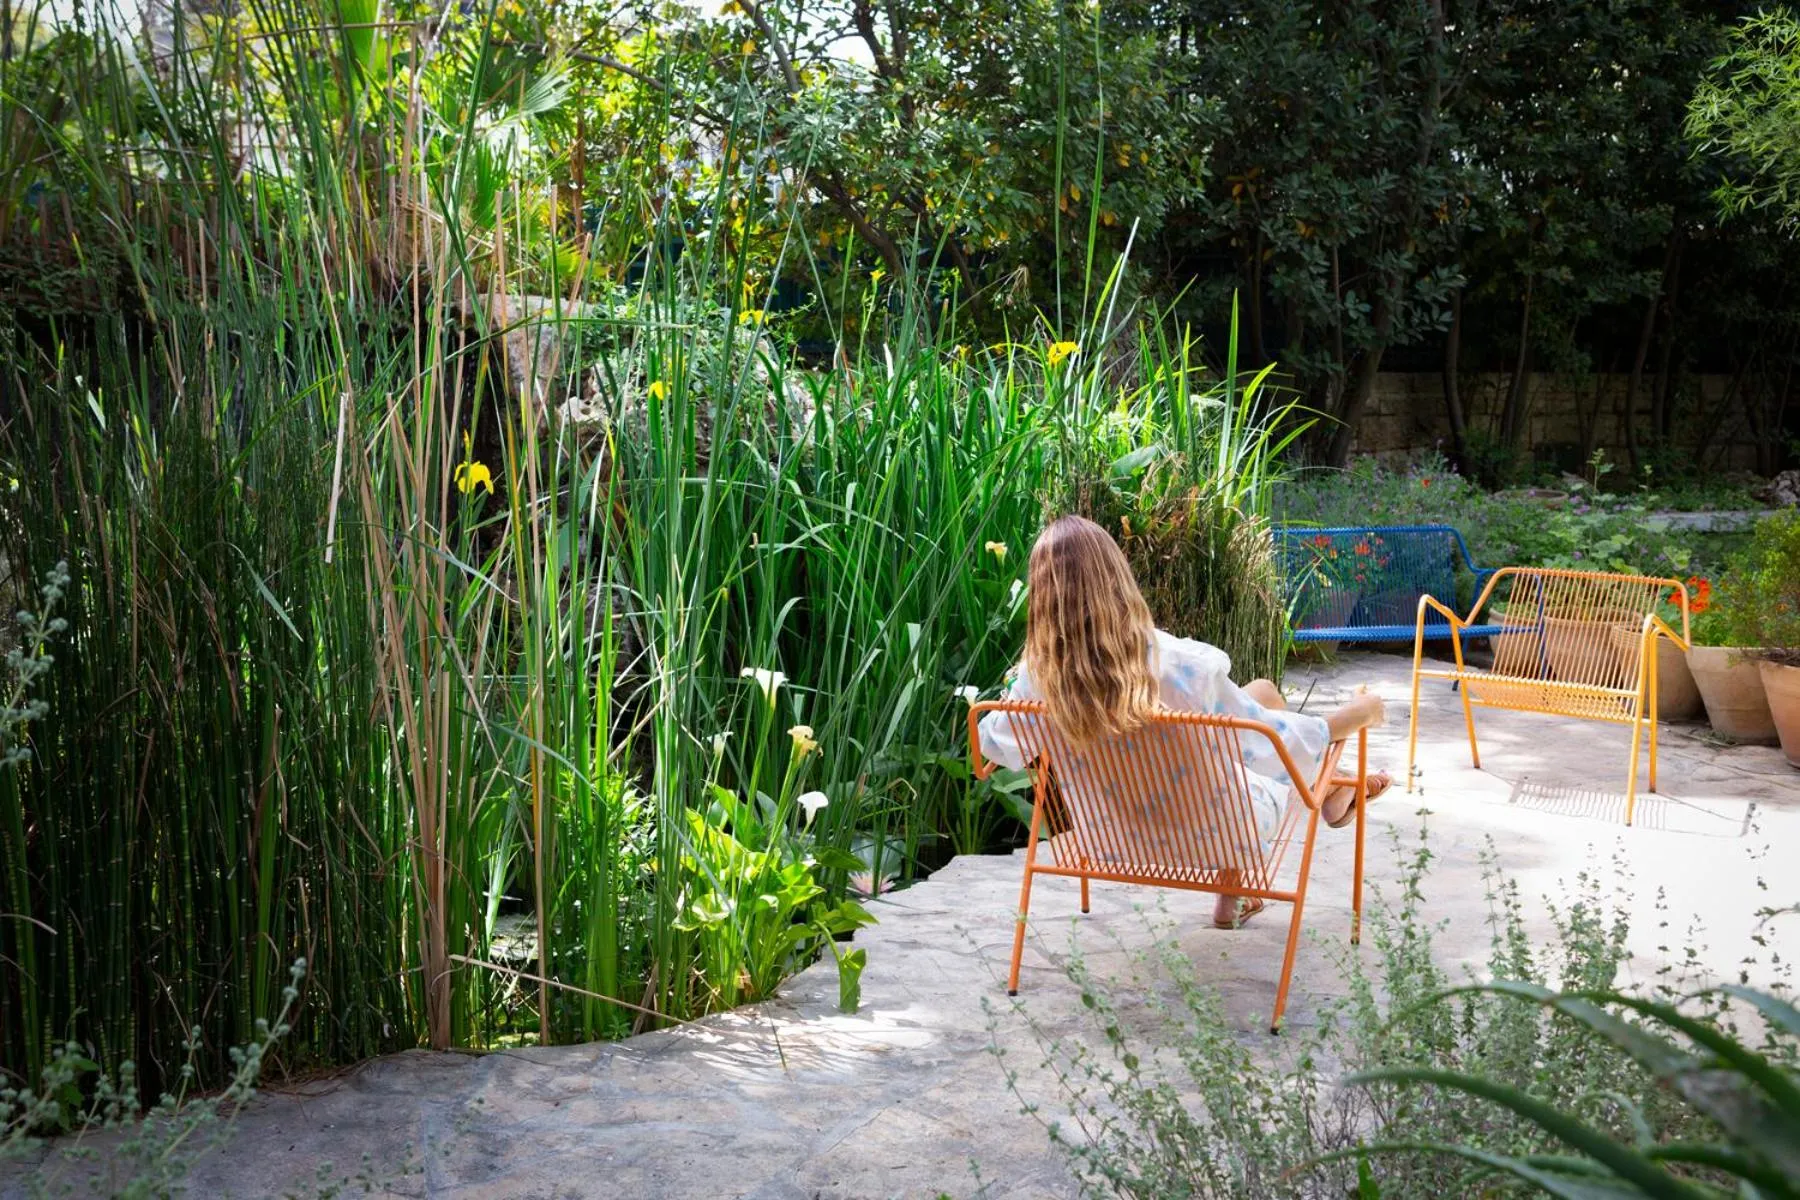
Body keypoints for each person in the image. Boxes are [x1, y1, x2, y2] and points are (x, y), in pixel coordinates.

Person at [977, 515, 1391, 929]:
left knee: (1261, 691)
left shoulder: (1037, 681)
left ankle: (1324, 802)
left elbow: (991, 750)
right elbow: (1270, 746)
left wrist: (1015, 685)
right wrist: (1360, 713)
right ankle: (1336, 788)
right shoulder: (1178, 665)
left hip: (1109, 838)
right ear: (1116, 578)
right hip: (1215, 835)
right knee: (1259, 727)